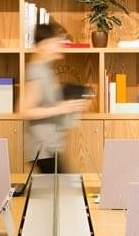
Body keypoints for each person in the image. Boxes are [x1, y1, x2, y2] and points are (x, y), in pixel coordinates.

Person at [22, 23, 90, 173]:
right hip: (42, 147)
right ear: (43, 45)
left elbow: (50, 107)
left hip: (50, 146)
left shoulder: (46, 71)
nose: (61, 46)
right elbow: (25, 111)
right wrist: (61, 108)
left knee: (59, 192)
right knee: (60, 192)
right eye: (57, 42)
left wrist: (70, 106)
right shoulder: (36, 71)